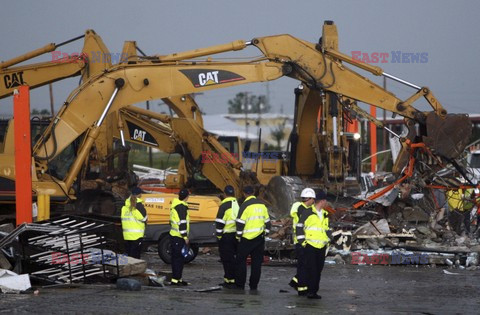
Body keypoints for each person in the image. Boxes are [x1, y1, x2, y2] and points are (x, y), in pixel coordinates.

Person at [296, 190, 331, 299]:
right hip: (310, 246)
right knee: (312, 270)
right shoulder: (308, 212)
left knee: (318, 270)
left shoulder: (325, 214)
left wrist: (330, 238)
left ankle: (314, 291)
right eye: (326, 201)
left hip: (321, 246)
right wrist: (303, 243)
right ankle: (311, 292)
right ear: (323, 201)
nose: (327, 204)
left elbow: (325, 229)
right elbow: (299, 227)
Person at [234, 186, 271, 290]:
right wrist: (265, 234)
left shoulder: (244, 205)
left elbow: (240, 223)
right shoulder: (262, 205)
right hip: (259, 239)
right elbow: (268, 223)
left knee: (241, 261)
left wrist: (238, 236)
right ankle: (253, 285)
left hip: (246, 239)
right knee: (256, 263)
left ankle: (240, 284)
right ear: (254, 192)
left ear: (244, 194)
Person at [288, 188, 316, 296]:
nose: (314, 201)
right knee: (304, 266)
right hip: (302, 241)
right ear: (310, 199)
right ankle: (302, 288)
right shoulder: (302, 210)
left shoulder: (300, 208)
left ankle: (296, 283)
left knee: (305, 265)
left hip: (303, 240)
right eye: (313, 199)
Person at [215, 185, 240, 286]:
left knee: (226, 259)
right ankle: (231, 279)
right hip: (236, 235)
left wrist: (219, 236)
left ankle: (229, 279)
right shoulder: (237, 204)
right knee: (233, 258)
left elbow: (219, 222)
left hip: (226, 235)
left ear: (225, 194)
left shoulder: (224, 205)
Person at [169, 189, 190, 286]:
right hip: (179, 236)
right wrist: (185, 237)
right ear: (187, 197)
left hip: (174, 235)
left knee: (176, 258)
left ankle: (177, 279)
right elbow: (182, 223)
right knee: (178, 259)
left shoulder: (176, 205)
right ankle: (176, 279)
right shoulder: (181, 207)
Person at [121, 187, 148, 259]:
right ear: (139, 195)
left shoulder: (125, 206)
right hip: (136, 236)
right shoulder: (138, 205)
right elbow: (144, 218)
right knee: (136, 258)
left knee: (129, 257)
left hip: (127, 235)